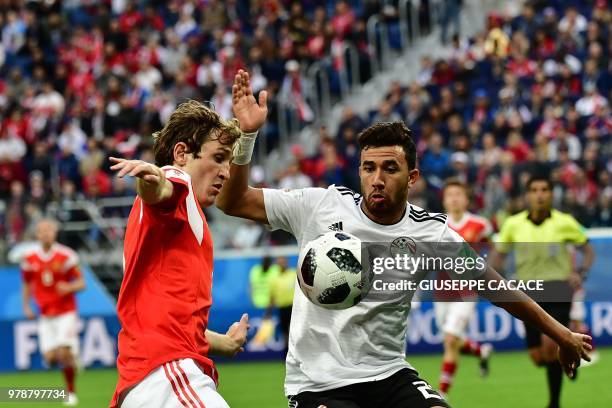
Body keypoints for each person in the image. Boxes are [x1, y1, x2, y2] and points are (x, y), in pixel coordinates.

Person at [217, 70, 591, 408]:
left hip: (388, 375)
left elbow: (496, 287)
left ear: (411, 178)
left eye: (389, 168)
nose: (377, 178)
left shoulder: (429, 233)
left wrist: (562, 335)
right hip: (318, 384)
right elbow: (233, 202)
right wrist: (247, 136)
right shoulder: (320, 206)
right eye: (369, 168)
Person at [108, 96, 267, 407]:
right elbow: (163, 189)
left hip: (150, 381)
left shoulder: (181, 225)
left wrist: (224, 341)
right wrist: (152, 179)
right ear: (182, 153)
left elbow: (171, 324)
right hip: (168, 377)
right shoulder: (177, 182)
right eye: (219, 157)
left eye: (228, 162)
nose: (225, 172)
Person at [492, 175, 594, 408]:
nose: (540, 194)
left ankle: (554, 403)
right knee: (538, 357)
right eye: (535, 190)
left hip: (558, 287)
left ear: (551, 194)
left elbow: (587, 250)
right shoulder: (513, 224)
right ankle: (570, 356)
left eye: (545, 189)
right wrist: (503, 282)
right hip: (527, 290)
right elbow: (498, 256)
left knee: (550, 348)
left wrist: (580, 272)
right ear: (527, 195)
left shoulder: (565, 221)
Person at [435, 181, 493, 398]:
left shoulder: (480, 225)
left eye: (458, 194)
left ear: (466, 199)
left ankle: (442, 394)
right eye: (450, 195)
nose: (454, 199)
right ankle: (481, 351)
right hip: (441, 293)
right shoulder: (435, 225)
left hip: (466, 293)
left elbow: (491, 252)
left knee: (450, 340)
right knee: (453, 340)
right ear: (444, 200)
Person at [21, 218, 85, 406]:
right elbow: (26, 283)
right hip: (45, 314)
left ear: (54, 233)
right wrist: (26, 306)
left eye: (49, 230)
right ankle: (73, 357)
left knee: (63, 353)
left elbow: (81, 283)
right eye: (42, 230)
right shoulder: (29, 258)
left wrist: (68, 287)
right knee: (49, 358)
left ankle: (71, 392)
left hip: (65, 311)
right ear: (37, 234)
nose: (46, 233)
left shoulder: (67, 256)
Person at [268, 256, 297, 352]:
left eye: (283, 262)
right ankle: (287, 352)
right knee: (285, 332)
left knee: (294, 331)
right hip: (282, 308)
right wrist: (269, 311)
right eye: (280, 262)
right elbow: (272, 296)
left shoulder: (293, 274)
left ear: (287, 262)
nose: (282, 264)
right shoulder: (274, 277)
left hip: (294, 307)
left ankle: (296, 352)